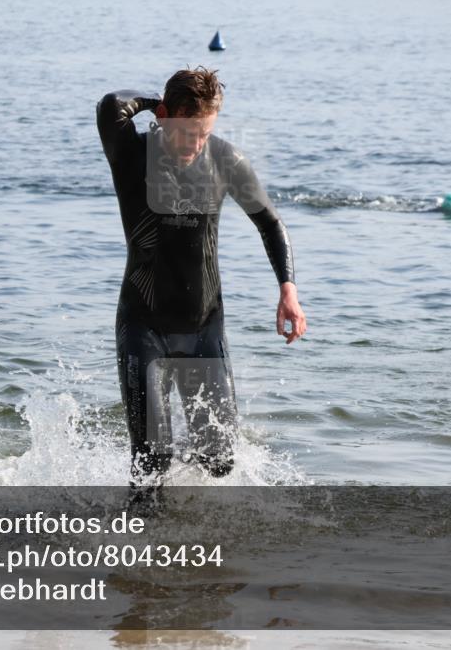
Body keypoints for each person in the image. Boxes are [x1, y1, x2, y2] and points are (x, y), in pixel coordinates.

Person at [96, 67, 306, 489]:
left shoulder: (225, 160)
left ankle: (190, 526)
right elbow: (111, 105)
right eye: (186, 131)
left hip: (204, 326)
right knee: (151, 461)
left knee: (220, 460)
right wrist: (156, 103)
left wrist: (288, 289)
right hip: (144, 325)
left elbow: (270, 223)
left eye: (203, 134)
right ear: (165, 115)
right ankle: (141, 544)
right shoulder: (131, 153)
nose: (195, 144)